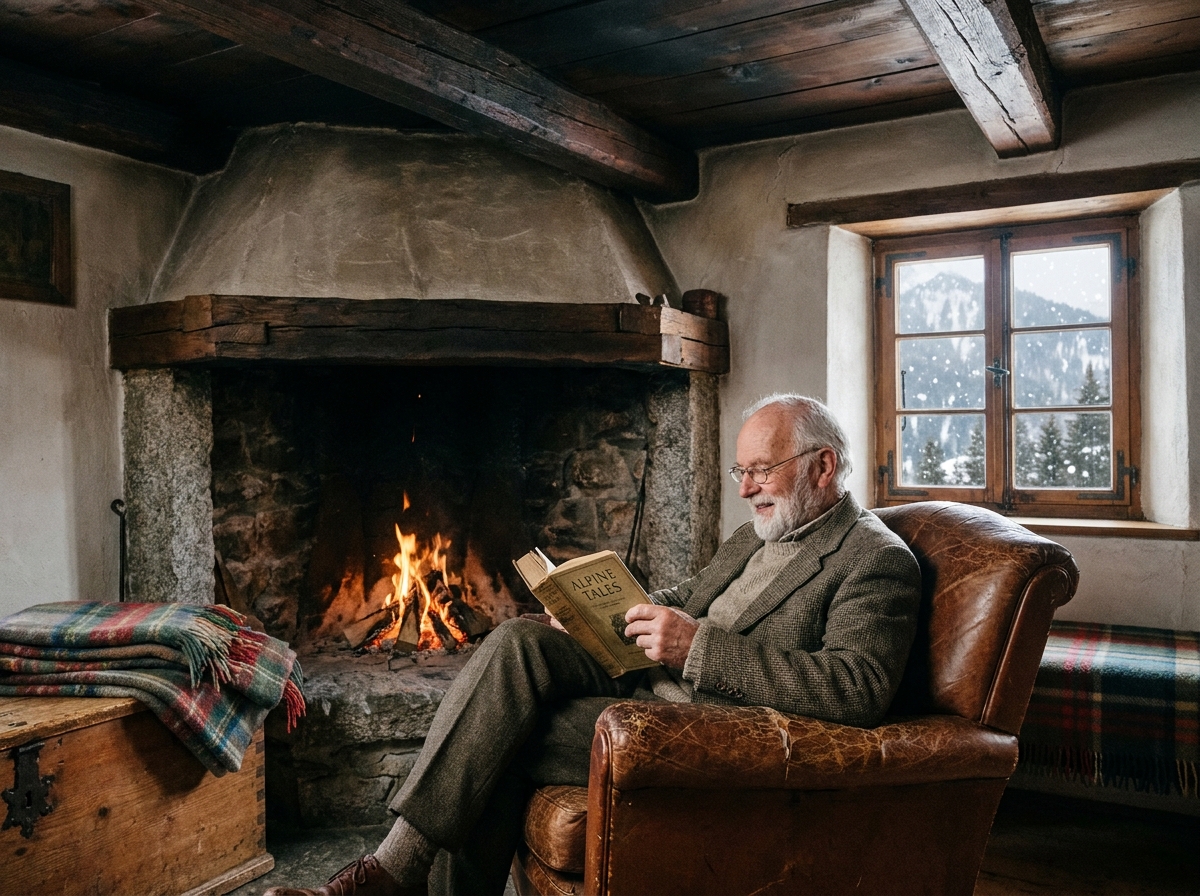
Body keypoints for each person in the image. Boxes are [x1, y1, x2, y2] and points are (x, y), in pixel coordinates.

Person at [266, 394, 922, 896]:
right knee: (521, 640)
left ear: (823, 465)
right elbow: (688, 595)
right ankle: (393, 875)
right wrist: (598, 611)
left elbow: (854, 690)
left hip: (709, 727)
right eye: (739, 471)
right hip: (648, 680)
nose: (745, 488)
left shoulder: (875, 562)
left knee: (503, 732)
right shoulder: (760, 533)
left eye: (760, 471)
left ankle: (389, 874)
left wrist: (698, 648)